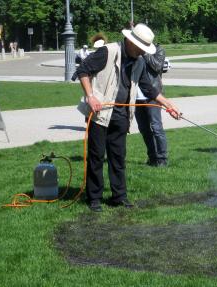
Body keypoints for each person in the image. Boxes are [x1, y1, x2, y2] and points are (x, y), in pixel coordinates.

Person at [75, 23, 181, 212]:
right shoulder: (108, 52)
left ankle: (119, 196)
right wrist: (91, 96)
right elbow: (83, 70)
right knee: (96, 157)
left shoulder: (139, 61)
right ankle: (94, 198)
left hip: (122, 116)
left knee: (118, 158)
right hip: (100, 114)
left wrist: (168, 105)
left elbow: (148, 88)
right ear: (131, 42)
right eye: (142, 48)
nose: (143, 52)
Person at [135, 44, 169, 167]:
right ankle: (152, 157)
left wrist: (143, 51)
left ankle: (162, 159)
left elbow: (157, 66)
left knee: (156, 128)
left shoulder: (158, 49)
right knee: (144, 129)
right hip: (136, 97)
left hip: (153, 96)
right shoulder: (134, 50)